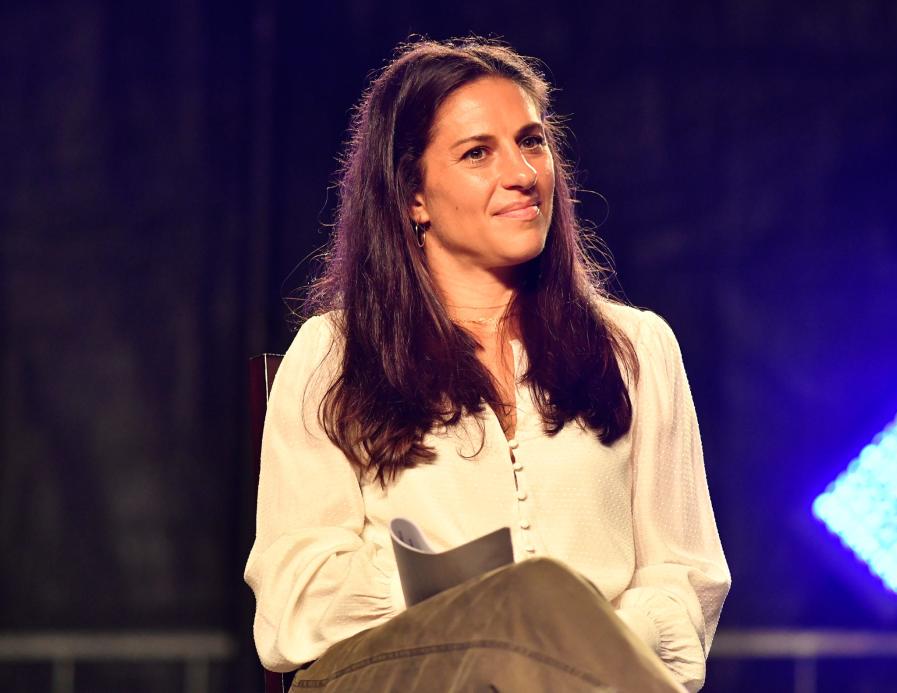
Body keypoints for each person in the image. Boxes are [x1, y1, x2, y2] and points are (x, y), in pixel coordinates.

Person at [244, 38, 730, 692]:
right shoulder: (334, 355)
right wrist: (480, 595)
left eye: (532, 142)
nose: (523, 173)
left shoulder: (637, 348)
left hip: (591, 678)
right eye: (478, 152)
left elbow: (685, 579)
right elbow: (291, 602)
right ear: (414, 195)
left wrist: (574, 633)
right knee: (529, 597)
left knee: (542, 610)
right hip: (397, 672)